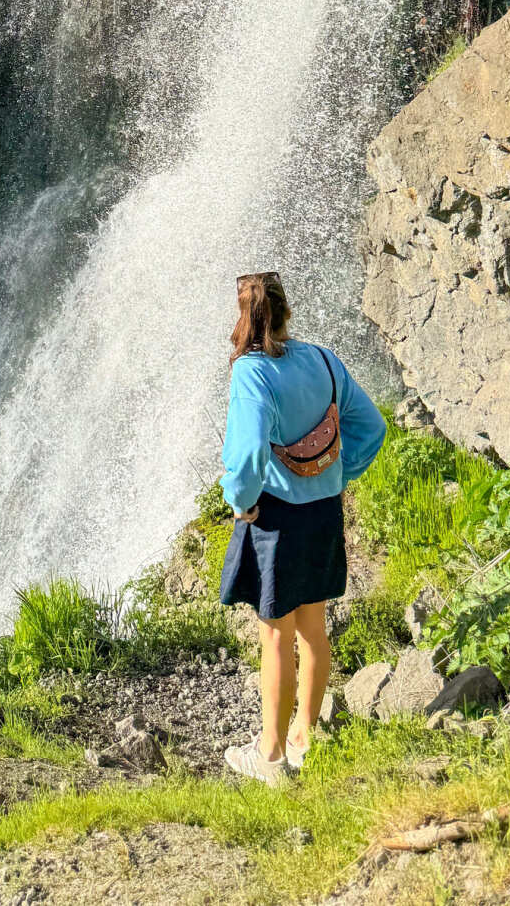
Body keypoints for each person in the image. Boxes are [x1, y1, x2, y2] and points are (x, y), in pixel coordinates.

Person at [218, 270, 386, 784]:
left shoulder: (251, 372)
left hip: (276, 517)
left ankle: (269, 758)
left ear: (243, 317)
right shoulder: (323, 360)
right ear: (286, 310)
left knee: (275, 637)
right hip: (323, 511)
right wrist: (337, 473)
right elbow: (371, 426)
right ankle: (304, 740)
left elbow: (246, 457)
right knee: (314, 630)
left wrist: (240, 503)